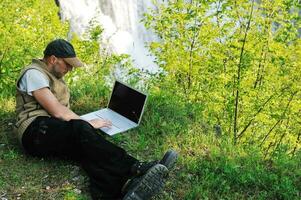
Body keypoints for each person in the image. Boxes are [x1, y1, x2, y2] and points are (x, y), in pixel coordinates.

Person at [14, 39, 178, 200]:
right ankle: (136, 166)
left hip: (51, 130)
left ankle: (120, 190)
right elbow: (57, 111)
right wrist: (86, 124)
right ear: (53, 59)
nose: (70, 69)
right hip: (34, 131)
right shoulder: (34, 73)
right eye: (68, 64)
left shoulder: (52, 73)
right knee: (81, 130)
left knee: (88, 149)